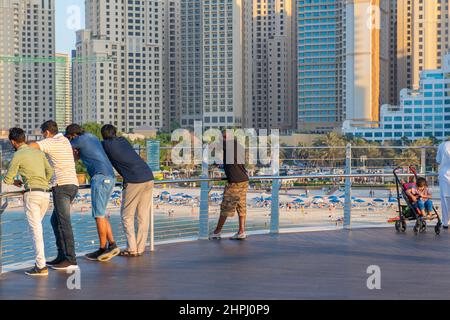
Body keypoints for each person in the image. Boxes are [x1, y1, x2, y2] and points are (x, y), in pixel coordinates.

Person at [65, 124, 120, 261]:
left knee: (98, 215)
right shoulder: (92, 137)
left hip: (100, 178)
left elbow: (64, 147)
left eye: (70, 137)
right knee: (101, 213)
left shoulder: (80, 140)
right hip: (109, 177)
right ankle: (112, 244)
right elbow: (78, 157)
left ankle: (102, 249)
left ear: (73, 135)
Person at [29, 120, 79, 270]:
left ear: (47, 133)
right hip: (72, 184)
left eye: (43, 134)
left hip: (62, 186)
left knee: (64, 223)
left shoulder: (51, 142)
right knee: (55, 221)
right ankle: (61, 256)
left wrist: (20, 145)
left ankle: (71, 259)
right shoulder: (64, 140)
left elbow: (32, 146)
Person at [3, 128, 53, 276]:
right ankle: (40, 263)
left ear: (13, 142)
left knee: (36, 231)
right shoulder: (38, 152)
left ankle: (41, 266)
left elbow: (8, 178)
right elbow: (50, 171)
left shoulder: (18, 154)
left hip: (32, 194)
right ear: (24, 138)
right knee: (35, 229)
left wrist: (17, 182)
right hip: (45, 194)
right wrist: (42, 180)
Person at [101, 124, 154, 257]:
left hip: (134, 180)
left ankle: (132, 248)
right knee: (143, 216)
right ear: (115, 132)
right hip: (148, 176)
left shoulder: (105, 145)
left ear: (103, 135)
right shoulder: (123, 140)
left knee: (127, 215)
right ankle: (140, 248)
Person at [209, 131, 249, 240]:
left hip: (235, 182)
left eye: (224, 137)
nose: (223, 139)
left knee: (226, 207)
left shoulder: (228, 144)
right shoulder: (239, 146)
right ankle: (241, 232)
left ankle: (217, 232)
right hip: (244, 180)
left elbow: (212, 146)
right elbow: (234, 162)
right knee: (241, 207)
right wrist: (221, 165)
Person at [437, 140, 450, 228]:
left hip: (445, 174)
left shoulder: (442, 145)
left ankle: (446, 222)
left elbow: (438, 160)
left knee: (445, 198)